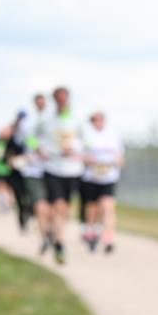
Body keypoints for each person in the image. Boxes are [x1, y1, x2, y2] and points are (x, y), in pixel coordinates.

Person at [40, 86, 84, 265]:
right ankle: (60, 243)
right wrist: (38, 149)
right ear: (54, 100)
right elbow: (31, 137)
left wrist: (76, 150)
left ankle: (56, 233)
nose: (62, 101)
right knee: (58, 206)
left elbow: (86, 141)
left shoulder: (77, 120)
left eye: (64, 98)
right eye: (58, 98)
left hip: (73, 169)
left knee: (65, 209)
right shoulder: (46, 120)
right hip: (53, 168)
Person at [80, 111, 125, 254]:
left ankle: (109, 238)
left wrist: (116, 162)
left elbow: (120, 157)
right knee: (92, 207)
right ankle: (91, 230)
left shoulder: (113, 135)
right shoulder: (86, 136)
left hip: (108, 177)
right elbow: (80, 155)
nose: (97, 122)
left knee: (108, 207)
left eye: (99, 119)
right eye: (94, 120)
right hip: (91, 177)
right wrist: (88, 160)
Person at [15, 94, 53, 253]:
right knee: (39, 204)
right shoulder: (27, 123)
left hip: (53, 170)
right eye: (38, 102)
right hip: (33, 169)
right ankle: (44, 236)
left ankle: (51, 231)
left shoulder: (55, 121)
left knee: (52, 207)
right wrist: (38, 150)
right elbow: (25, 139)